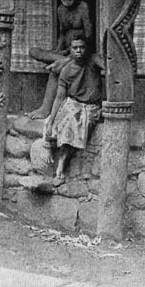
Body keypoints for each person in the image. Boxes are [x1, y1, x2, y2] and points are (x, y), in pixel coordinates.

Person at [27, 0, 93, 119]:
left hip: (80, 53)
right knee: (33, 51)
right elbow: (63, 34)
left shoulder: (83, 7)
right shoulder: (60, 10)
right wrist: (58, 50)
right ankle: (63, 60)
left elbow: (89, 37)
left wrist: (72, 55)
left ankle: (45, 109)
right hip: (65, 52)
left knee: (55, 70)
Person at [42, 34, 103, 184]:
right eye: (75, 48)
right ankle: (49, 145)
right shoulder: (66, 71)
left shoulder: (92, 61)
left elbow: (106, 65)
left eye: (82, 47)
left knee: (72, 122)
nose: (79, 51)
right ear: (70, 50)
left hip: (91, 107)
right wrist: (51, 119)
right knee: (57, 118)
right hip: (73, 103)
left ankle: (61, 167)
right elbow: (59, 97)